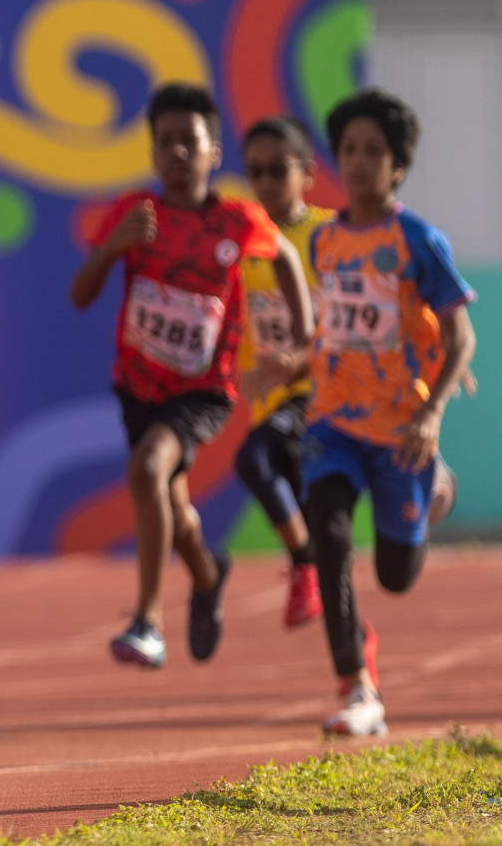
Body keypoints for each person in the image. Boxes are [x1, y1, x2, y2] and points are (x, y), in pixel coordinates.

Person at [69, 82, 311, 670]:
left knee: (147, 469)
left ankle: (148, 621)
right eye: (166, 141)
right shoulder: (134, 214)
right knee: (171, 510)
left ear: (213, 152)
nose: (177, 151)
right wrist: (112, 248)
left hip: (203, 390)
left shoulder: (236, 219)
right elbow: (80, 295)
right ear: (153, 151)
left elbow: (284, 257)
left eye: (190, 140)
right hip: (138, 385)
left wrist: (305, 335)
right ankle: (207, 573)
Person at [303, 88, 475, 736]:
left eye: (372, 151)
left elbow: (461, 338)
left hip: (401, 430)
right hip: (329, 423)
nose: (357, 162)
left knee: (395, 576)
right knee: (329, 538)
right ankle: (356, 686)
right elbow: (333, 331)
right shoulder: (322, 240)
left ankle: (435, 480)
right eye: (347, 149)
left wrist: (430, 415)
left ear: (396, 166)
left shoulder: (416, 241)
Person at [234, 116, 336, 628]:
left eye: (279, 170)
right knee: (322, 540)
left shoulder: (330, 235)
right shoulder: (243, 243)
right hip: (275, 404)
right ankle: (359, 672)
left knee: (253, 459)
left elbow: (356, 322)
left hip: (329, 398)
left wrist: (295, 360)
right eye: (256, 172)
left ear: (308, 174)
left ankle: (303, 565)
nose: (267, 182)